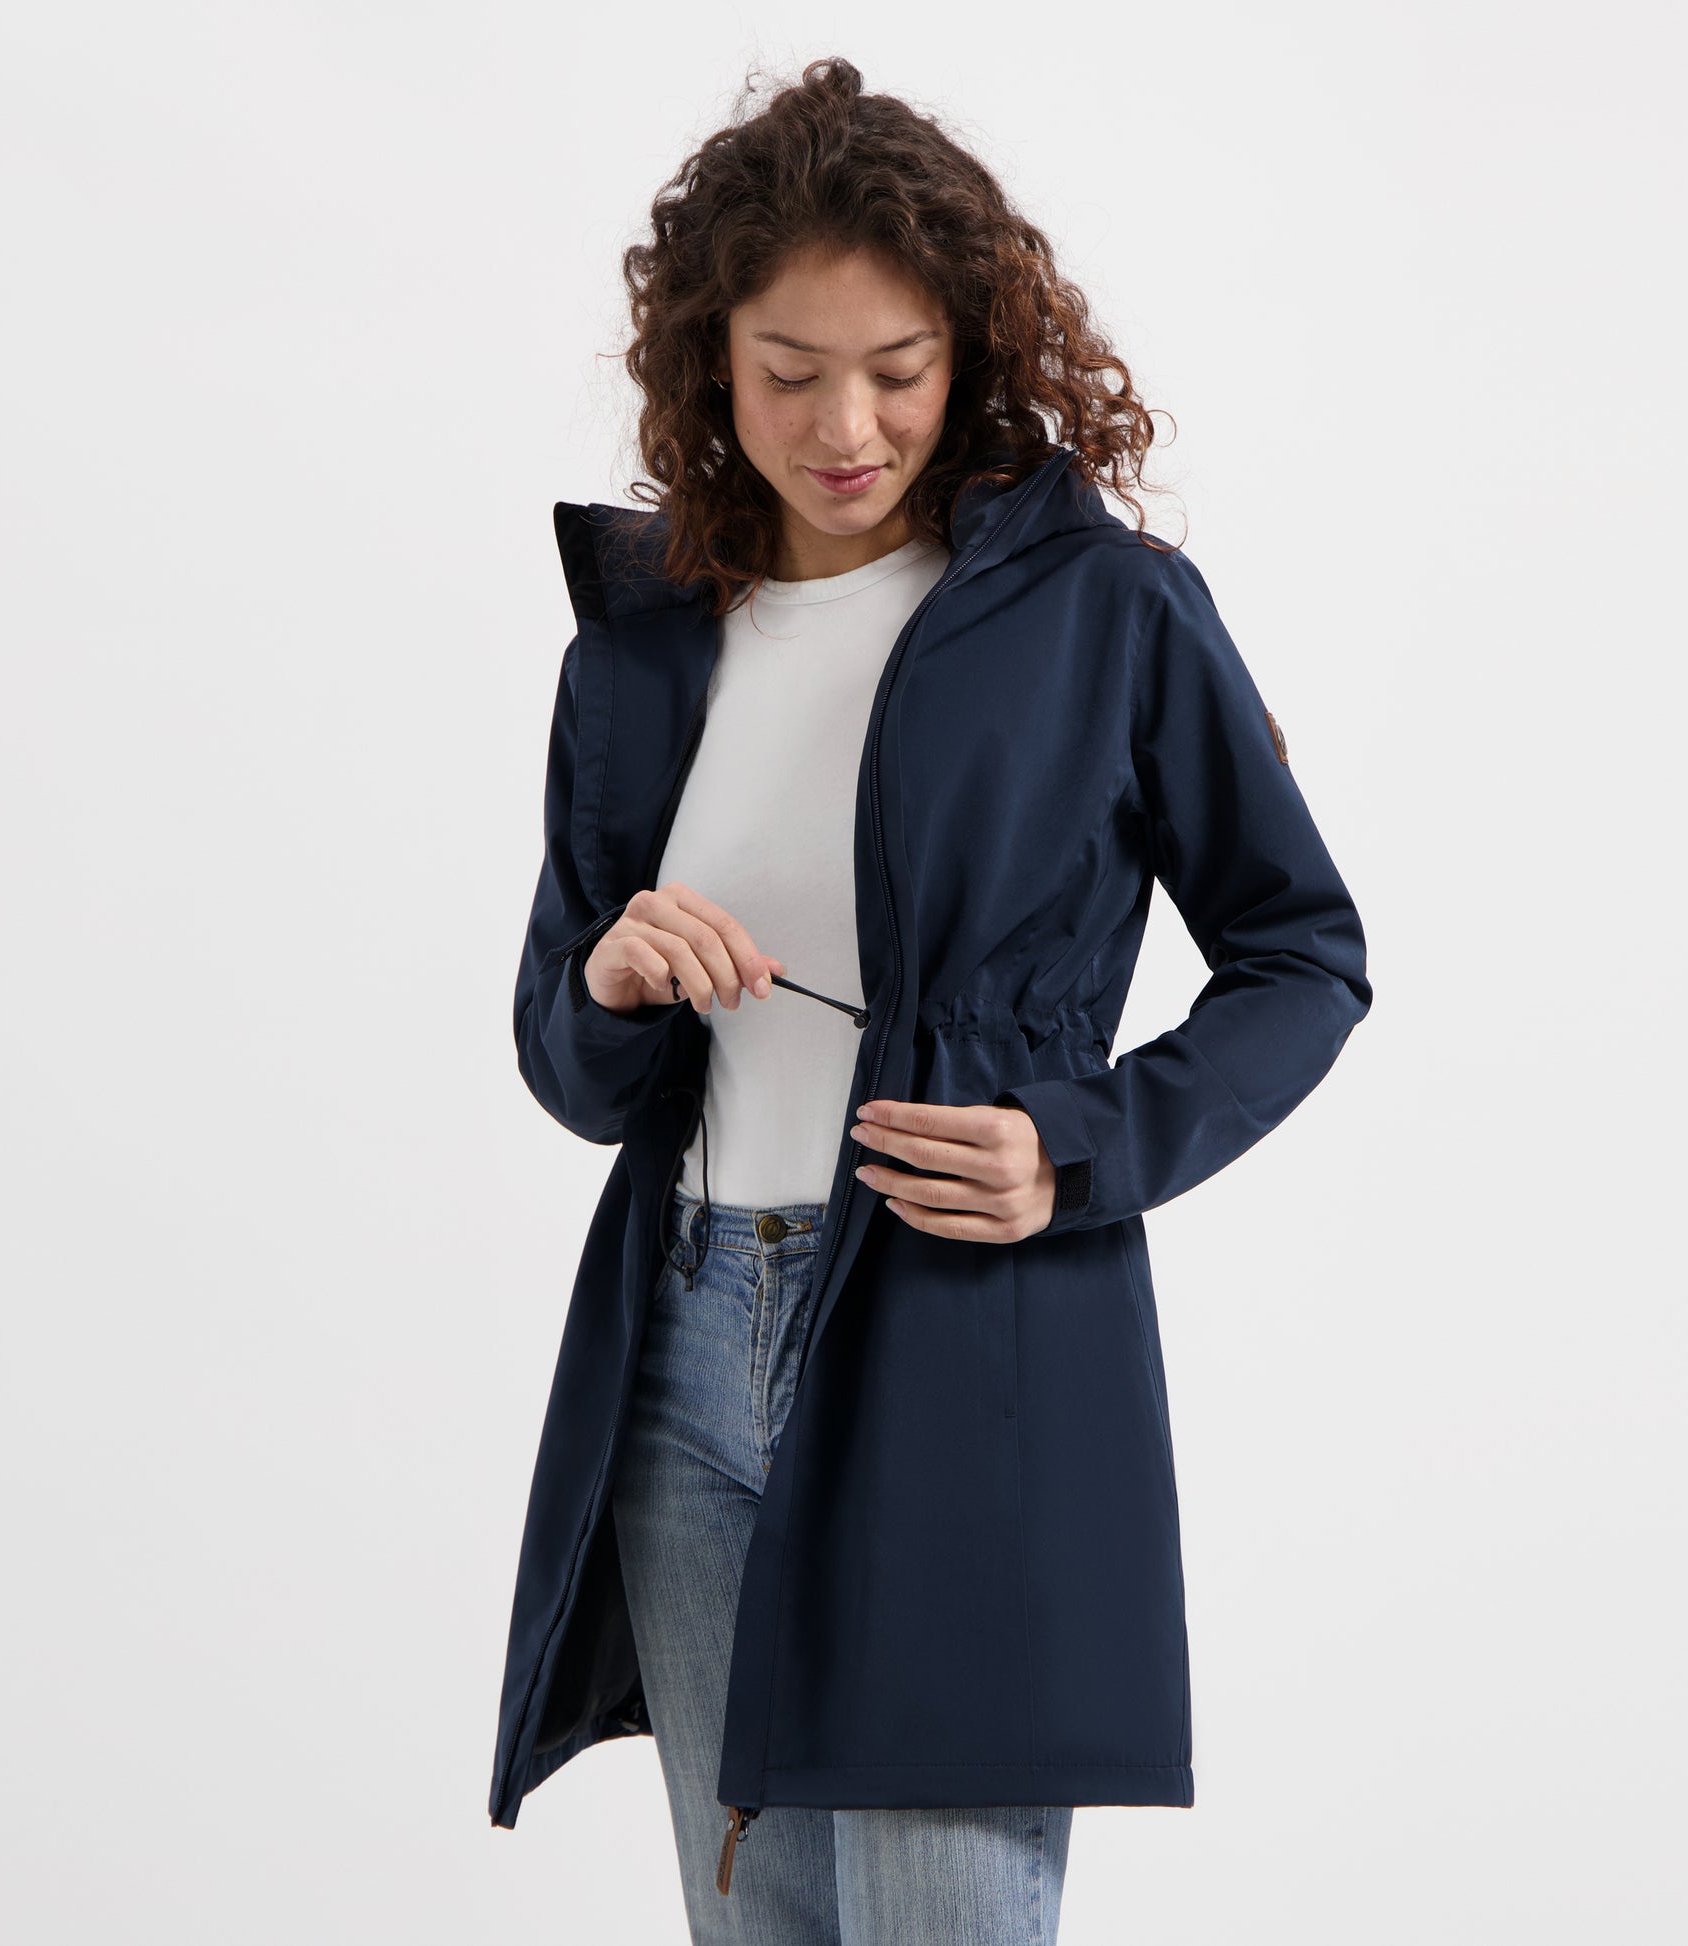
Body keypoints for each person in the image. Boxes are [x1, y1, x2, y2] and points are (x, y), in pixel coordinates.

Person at [490, 57, 1373, 1946]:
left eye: (894, 368)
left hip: (961, 1340)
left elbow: (1303, 953)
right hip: (678, 1343)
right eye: (788, 370)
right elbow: (572, 1070)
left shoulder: (1104, 612)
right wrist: (613, 980)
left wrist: (1080, 1143)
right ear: (708, 365)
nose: (845, 424)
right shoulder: (642, 646)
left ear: (967, 350)